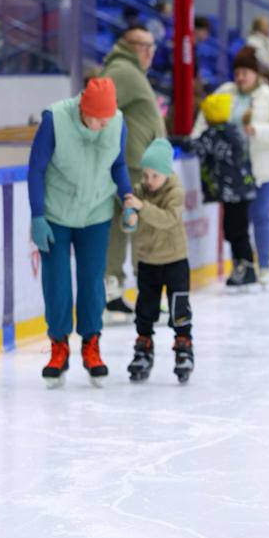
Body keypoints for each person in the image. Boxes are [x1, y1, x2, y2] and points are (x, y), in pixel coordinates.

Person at [28, 77, 134, 385]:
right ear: (82, 111)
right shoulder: (55, 119)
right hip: (56, 214)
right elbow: (36, 167)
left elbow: (118, 164)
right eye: (98, 119)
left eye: (108, 118)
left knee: (92, 282)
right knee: (57, 283)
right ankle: (58, 346)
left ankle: (91, 344)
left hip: (97, 213)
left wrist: (127, 196)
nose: (104, 124)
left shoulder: (117, 121)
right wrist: (37, 215)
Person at [195, 48, 269, 283]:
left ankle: (264, 264)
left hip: (266, 169)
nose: (241, 77)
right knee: (236, 221)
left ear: (256, 73)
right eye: (237, 72)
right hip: (235, 172)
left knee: (261, 215)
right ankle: (242, 265)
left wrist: (257, 130)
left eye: (245, 72)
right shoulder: (225, 92)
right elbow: (205, 117)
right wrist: (197, 137)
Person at [102, 26, 165, 319]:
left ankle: (118, 291)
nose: (150, 52)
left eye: (153, 46)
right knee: (137, 227)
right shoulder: (123, 71)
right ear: (129, 45)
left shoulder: (131, 71)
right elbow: (98, 106)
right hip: (132, 164)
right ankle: (115, 292)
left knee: (129, 226)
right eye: (144, 46)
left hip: (140, 163)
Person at [121, 139, 193, 381]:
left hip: (175, 260)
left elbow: (167, 219)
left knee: (179, 307)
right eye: (145, 174)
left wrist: (141, 207)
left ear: (166, 172)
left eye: (154, 175)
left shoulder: (175, 191)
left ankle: (183, 347)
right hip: (148, 260)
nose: (148, 180)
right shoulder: (140, 190)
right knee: (146, 307)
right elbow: (129, 222)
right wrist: (129, 219)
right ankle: (143, 347)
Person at [184, 93, 259, 288]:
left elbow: (194, 146)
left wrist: (174, 140)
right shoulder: (234, 130)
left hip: (231, 193)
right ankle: (243, 266)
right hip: (243, 190)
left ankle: (245, 267)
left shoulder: (212, 134)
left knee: (236, 231)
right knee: (238, 230)